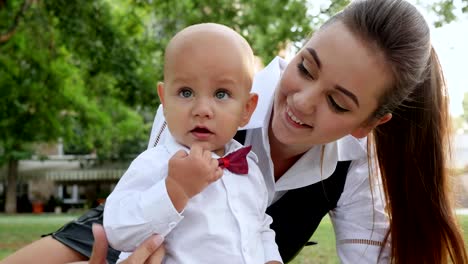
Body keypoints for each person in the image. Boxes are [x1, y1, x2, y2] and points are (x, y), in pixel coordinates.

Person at [3, 0, 467, 263]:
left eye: (337, 102)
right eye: (305, 67)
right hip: (159, 222)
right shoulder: (202, 103)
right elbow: (143, 222)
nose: (302, 100)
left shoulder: (356, 163)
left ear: (369, 125)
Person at [102, 22, 282, 264]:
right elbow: (118, 229)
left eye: (221, 94)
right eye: (186, 92)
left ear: (246, 109)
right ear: (164, 100)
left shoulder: (249, 169)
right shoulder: (157, 163)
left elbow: (259, 227)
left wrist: (271, 259)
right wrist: (175, 189)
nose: (202, 110)